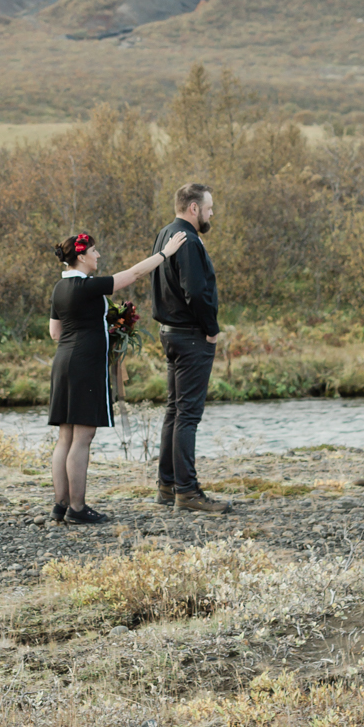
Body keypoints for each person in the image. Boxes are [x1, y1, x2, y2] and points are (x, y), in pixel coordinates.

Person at [49, 228, 186, 525]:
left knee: (65, 436)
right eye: (95, 251)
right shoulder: (87, 286)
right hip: (86, 364)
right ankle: (77, 508)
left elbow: (54, 333)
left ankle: (59, 506)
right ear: (82, 256)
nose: (98, 256)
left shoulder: (59, 289)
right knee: (83, 437)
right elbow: (134, 273)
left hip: (63, 363)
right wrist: (166, 253)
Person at [150, 182, 230, 514]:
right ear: (194, 208)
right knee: (187, 415)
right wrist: (211, 330)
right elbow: (196, 292)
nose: (212, 213)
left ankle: (167, 486)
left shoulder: (165, 234)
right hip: (191, 335)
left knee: (174, 411)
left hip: (170, 332)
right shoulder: (189, 240)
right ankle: (187, 491)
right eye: (209, 207)